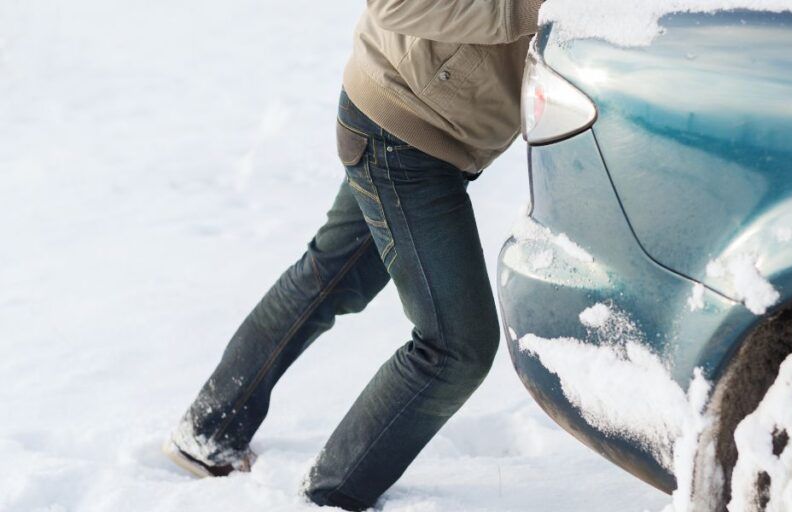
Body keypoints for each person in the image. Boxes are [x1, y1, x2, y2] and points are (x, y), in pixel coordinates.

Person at [162, 1, 544, 509]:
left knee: (332, 276)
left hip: (425, 121)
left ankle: (209, 430)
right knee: (456, 346)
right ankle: (330, 496)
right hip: (404, 129)